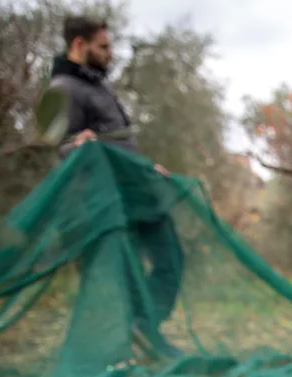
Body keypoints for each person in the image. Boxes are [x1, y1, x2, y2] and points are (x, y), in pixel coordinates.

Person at [50, 16, 184, 359]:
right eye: (104, 46)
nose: (111, 53)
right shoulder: (63, 89)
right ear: (79, 45)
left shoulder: (98, 86)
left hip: (138, 190)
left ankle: (144, 326)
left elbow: (117, 142)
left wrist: (145, 166)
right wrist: (76, 144)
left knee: (171, 260)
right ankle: (139, 340)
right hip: (110, 200)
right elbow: (60, 146)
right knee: (128, 275)